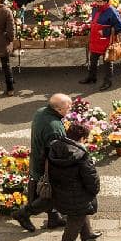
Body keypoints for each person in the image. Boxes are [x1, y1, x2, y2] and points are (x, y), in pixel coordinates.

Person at [13, 93, 73, 232]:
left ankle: (54, 218)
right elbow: (58, 152)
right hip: (47, 166)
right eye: (68, 106)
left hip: (37, 159)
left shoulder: (41, 112)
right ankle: (23, 214)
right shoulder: (54, 128)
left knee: (48, 192)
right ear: (58, 110)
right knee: (49, 194)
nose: (70, 108)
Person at [46, 120, 102, 241]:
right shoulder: (81, 156)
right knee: (75, 219)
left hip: (60, 191)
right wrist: (94, 190)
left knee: (81, 213)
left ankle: (87, 234)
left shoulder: (55, 147)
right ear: (82, 138)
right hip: (78, 194)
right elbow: (91, 178)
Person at [80, 0, 121, 92]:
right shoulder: (95, 8)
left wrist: (104, 31)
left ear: (106, 1)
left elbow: (120, 27)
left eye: (100, 1)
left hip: (106, 41)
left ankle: (107, 82)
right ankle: (92, 77)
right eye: (96, 1)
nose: (97, 3)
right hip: (95, 40)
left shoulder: (112, 11)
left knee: (107, 62)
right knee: (93, 60)